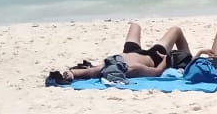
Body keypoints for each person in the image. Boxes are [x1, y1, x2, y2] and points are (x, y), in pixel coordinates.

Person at [47, 22, 191, 84]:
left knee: (134, 26)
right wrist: (166, 59)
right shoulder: (133, 69)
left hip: (131, 52)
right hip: (154, 56)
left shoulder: (105, 67)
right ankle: (190, 63)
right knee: (176, 30)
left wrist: (69, 73)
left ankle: (189, 60)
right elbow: (157, 71)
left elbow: (84, 73)